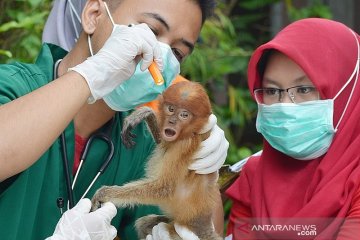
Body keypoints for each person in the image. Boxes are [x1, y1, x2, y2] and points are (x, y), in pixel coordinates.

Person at [0, 0, 228, 239]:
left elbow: (201, 229)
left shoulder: (141, 142)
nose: (160, 58)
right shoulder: (13, 88)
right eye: (151, 31)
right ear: (94, 15)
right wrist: (93, 74)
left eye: (177, 52)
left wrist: (201, 172)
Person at [225, 18, 360, 239]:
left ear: (346, 94)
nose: (285, 106)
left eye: (305, 89)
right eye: (271, 91)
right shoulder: (253, 175)